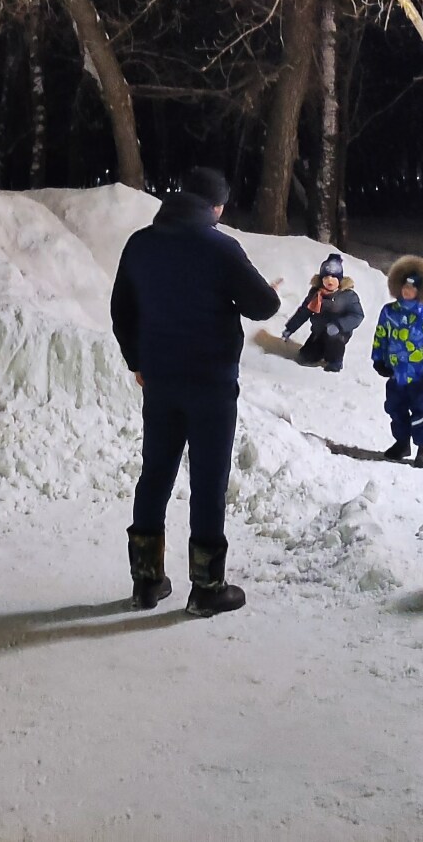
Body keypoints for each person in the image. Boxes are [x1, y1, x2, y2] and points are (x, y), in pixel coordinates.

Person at [110, 167, 280, 617]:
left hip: (160, 381)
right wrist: (256, 291)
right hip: (211, 384)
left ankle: (146, 582)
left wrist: (137, 361)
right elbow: (264, 305)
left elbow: (121, 310)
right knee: (208, 481)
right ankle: (207, 588)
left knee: (155, 474)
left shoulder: (140, 244)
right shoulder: (220, 247)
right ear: (216, 207)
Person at [371, 256, 423, 467]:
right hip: (396, 373)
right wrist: (378, 359)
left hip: (419, 375)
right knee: (395, 408)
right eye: (404, 287)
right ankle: (402, 442)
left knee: (422, 410)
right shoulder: (389, 312)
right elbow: (381, 336)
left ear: (420, 291)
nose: (407, 291)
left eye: (412, 288)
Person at [280, 253, 364, 372]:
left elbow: (357, 315)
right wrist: (290, 328)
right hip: (319, 332)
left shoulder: (348, 295)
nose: (330, 280)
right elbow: (303, 312)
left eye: (334, 277)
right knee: (305, 357)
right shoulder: (316, 294)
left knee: (333, 339)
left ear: (339, 279)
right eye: (326, 277)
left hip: (338, 333)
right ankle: (317, 351)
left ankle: (335, 361)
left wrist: (339, 325)